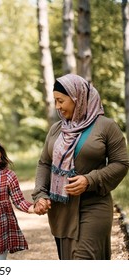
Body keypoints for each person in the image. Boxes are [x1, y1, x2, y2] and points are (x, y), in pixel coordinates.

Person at [32, 73, 129, 260]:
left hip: (94, 205)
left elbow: (122, 163)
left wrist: (90, 180)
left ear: (78, 97)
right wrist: (40, 194)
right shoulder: (57, 129)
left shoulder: (106, 127)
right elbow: (44, 163)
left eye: (61, 101)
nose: (58, 107)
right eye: (55, 101)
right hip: (61, 211)